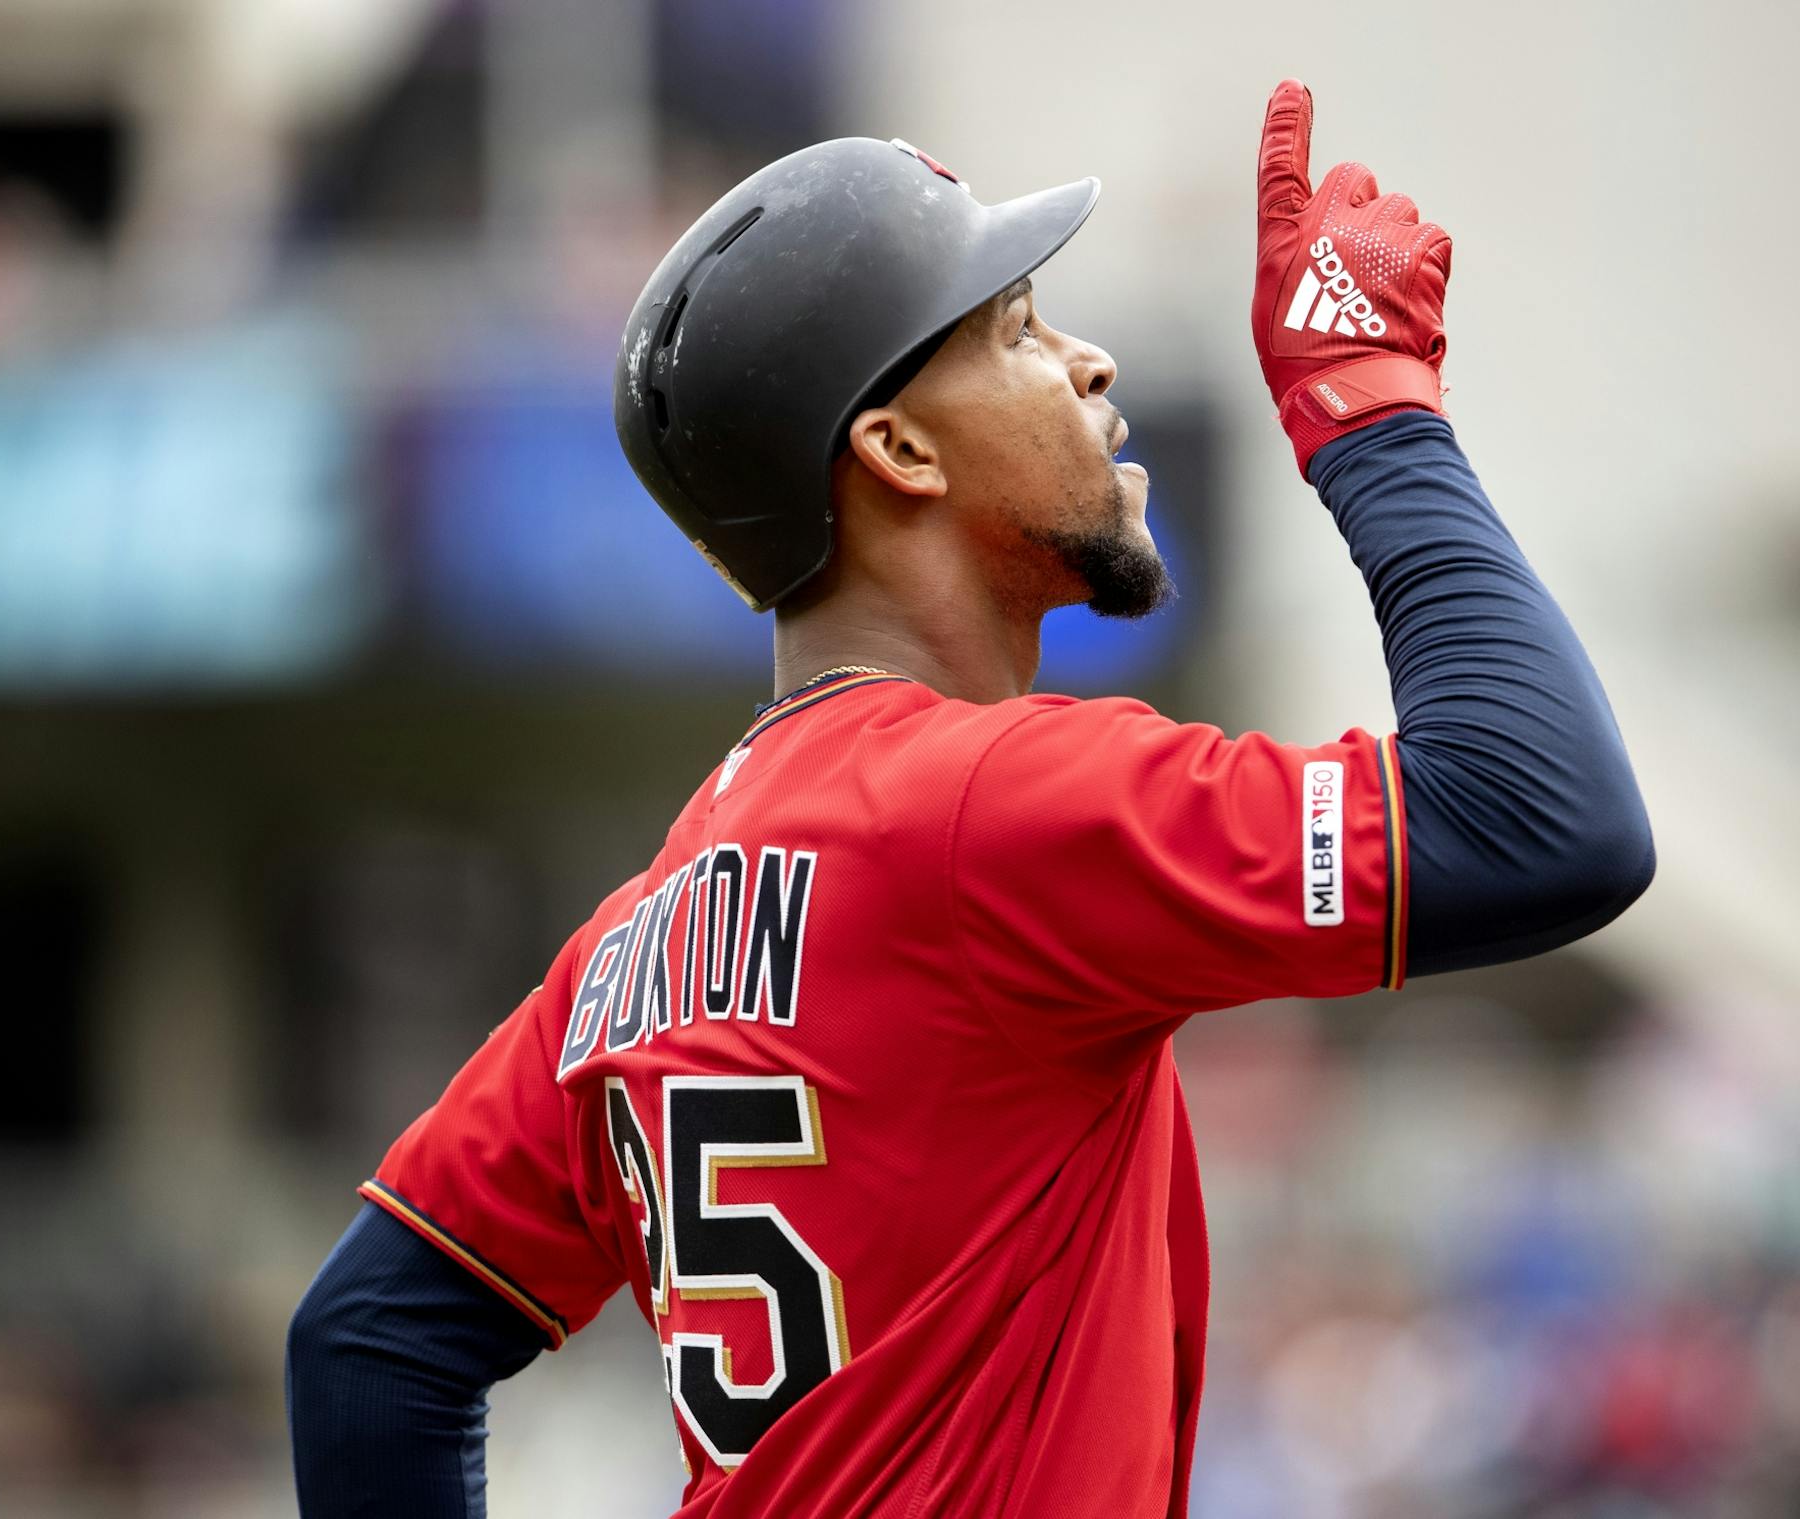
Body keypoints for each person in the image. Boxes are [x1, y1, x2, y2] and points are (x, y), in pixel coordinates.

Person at [287, 80, 1654, 1518]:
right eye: (1016, 335)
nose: (1090, 362)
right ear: (900, 450)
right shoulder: (983, 806)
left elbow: (371, 1344)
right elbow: (1541, 819)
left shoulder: (633, 940)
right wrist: (1373, 423)